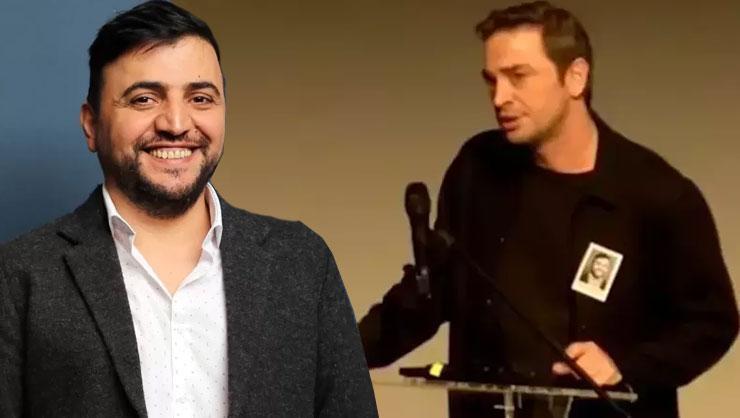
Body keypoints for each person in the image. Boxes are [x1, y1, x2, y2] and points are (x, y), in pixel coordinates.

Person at [358, 1, 738, 417]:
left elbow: (711, 322)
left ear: (575, 76)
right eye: (492, 80)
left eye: (518, 77)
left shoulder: (655, 194)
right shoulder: (477, 170)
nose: (500, 97)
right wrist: (334, 354)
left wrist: (625, 368)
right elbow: (429, 295)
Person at [0, 2, 377, 417]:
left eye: (200, 98)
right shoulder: (20, 275)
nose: (177, 123)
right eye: (144, 99)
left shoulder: (302, 264)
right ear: (92, 124)